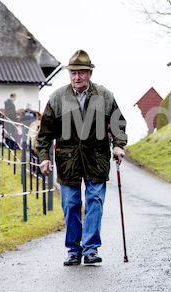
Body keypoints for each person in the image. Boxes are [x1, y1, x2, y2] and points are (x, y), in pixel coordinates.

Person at [37, 50, 127, 266]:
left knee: (95, 202)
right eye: (73, 73)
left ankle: (91, 248)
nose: (77, 77)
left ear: (90, 73)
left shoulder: (104, 96)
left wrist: (118, 146)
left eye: (81, 73)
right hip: (68, 161)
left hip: (97, 159)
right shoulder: (58, 98)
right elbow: (45, 134)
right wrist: (44, 157)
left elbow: (118, 125)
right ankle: (74, 250)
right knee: (71, 204)